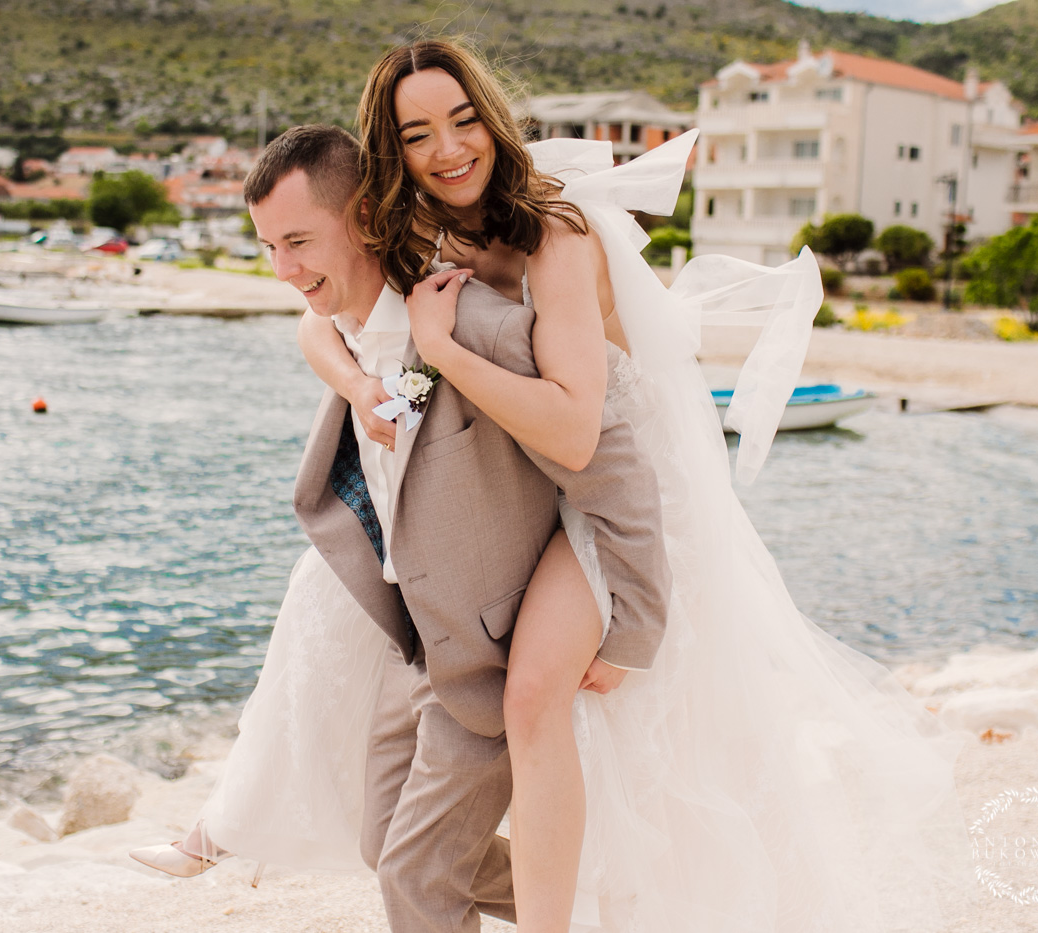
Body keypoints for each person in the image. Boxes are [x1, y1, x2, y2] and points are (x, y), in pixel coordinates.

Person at [141, 40, 974, 933]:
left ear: (492, 118)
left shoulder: (557, 234)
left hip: (610, 487)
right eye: (417, 135)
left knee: (533, 694)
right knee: (338, 623)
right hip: (527, 479)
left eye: (463, 120)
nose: (447, 149)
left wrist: (443, 347)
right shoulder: (419, 232)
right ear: (391, 155)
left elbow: (583, 433)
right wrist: (358, 385)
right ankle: (274, 824)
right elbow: (327, 320)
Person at [134, 123, 672, 933]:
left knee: (415, 874)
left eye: (298, 242)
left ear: (361, 216)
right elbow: (322, 338)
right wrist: (357, 386)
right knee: (383, 841)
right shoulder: (354, 331)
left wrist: (636, 624)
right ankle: (610, 906)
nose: (282, 270)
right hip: (413, 643)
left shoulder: (475, 327)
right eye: (268, 246)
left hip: (486, 651)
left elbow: (609, 462)